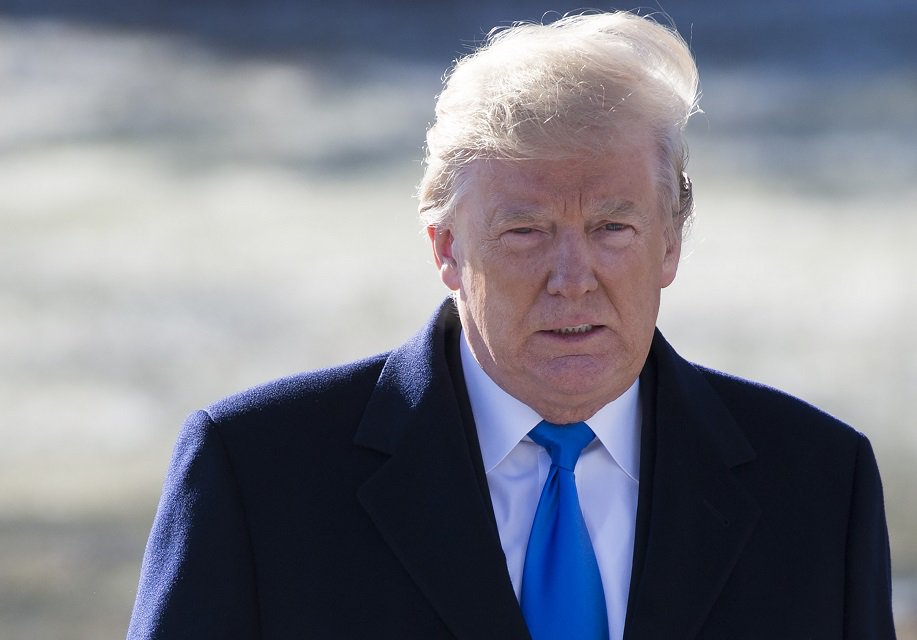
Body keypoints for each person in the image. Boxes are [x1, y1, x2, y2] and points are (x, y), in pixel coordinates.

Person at [127, 11, 896, 640]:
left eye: (611, 228)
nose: (572, 278)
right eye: (524, 231)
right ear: (446, 249)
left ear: (670, 242)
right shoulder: (256, 474)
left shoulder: (820, 484)